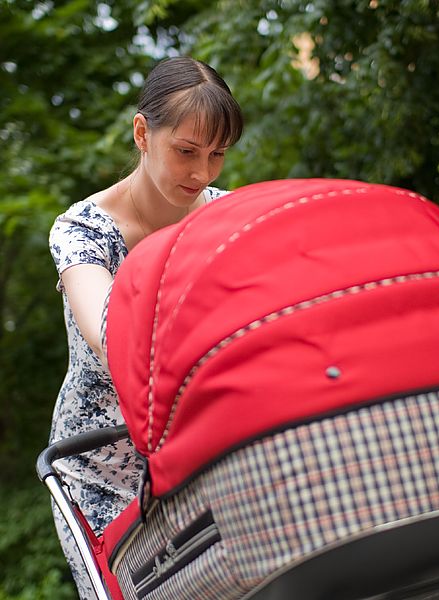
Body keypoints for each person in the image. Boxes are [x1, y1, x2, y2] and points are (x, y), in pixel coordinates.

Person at [48, 56, 243, 599]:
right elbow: (112, 336)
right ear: (142, 132)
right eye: (186, 151)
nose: (202, 174)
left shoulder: (223, 221)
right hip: (100, 467)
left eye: (218, 155)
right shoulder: (84, 231)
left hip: (194, 456)